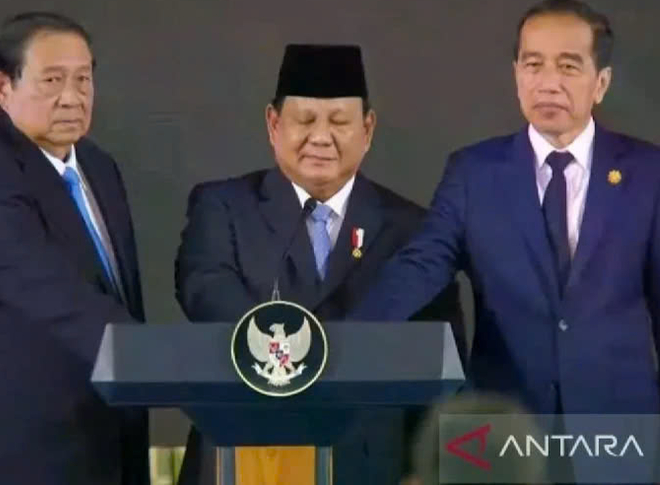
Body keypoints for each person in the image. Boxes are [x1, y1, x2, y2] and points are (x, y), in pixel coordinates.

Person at [351, 0, 660, 422]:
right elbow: (421, 266)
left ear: (601, 82)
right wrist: (346, 341)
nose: (548, 83)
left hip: (620, 434)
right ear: (517, 74)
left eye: (568, 66)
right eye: (533, 65)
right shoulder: (474, 173)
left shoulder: (650, 173)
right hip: (507, 429)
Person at [175, 43, 464, 485]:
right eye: (305, 121)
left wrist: (426, 468)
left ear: (368, 129)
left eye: (340, 122)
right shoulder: (223, 208)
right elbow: (204, 290)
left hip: (370, 464)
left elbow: (441, 362)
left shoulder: (412, 228)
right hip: (245, 454)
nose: (321, 137)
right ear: (273, 124)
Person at [0, 12, 149, 485]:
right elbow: (61, 301)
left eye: (84, 79)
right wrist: (178, 365)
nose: (73, 97)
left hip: (91, 445)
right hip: (1, 453)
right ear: (2, 88)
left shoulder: (98, 167)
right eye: (52, 80)